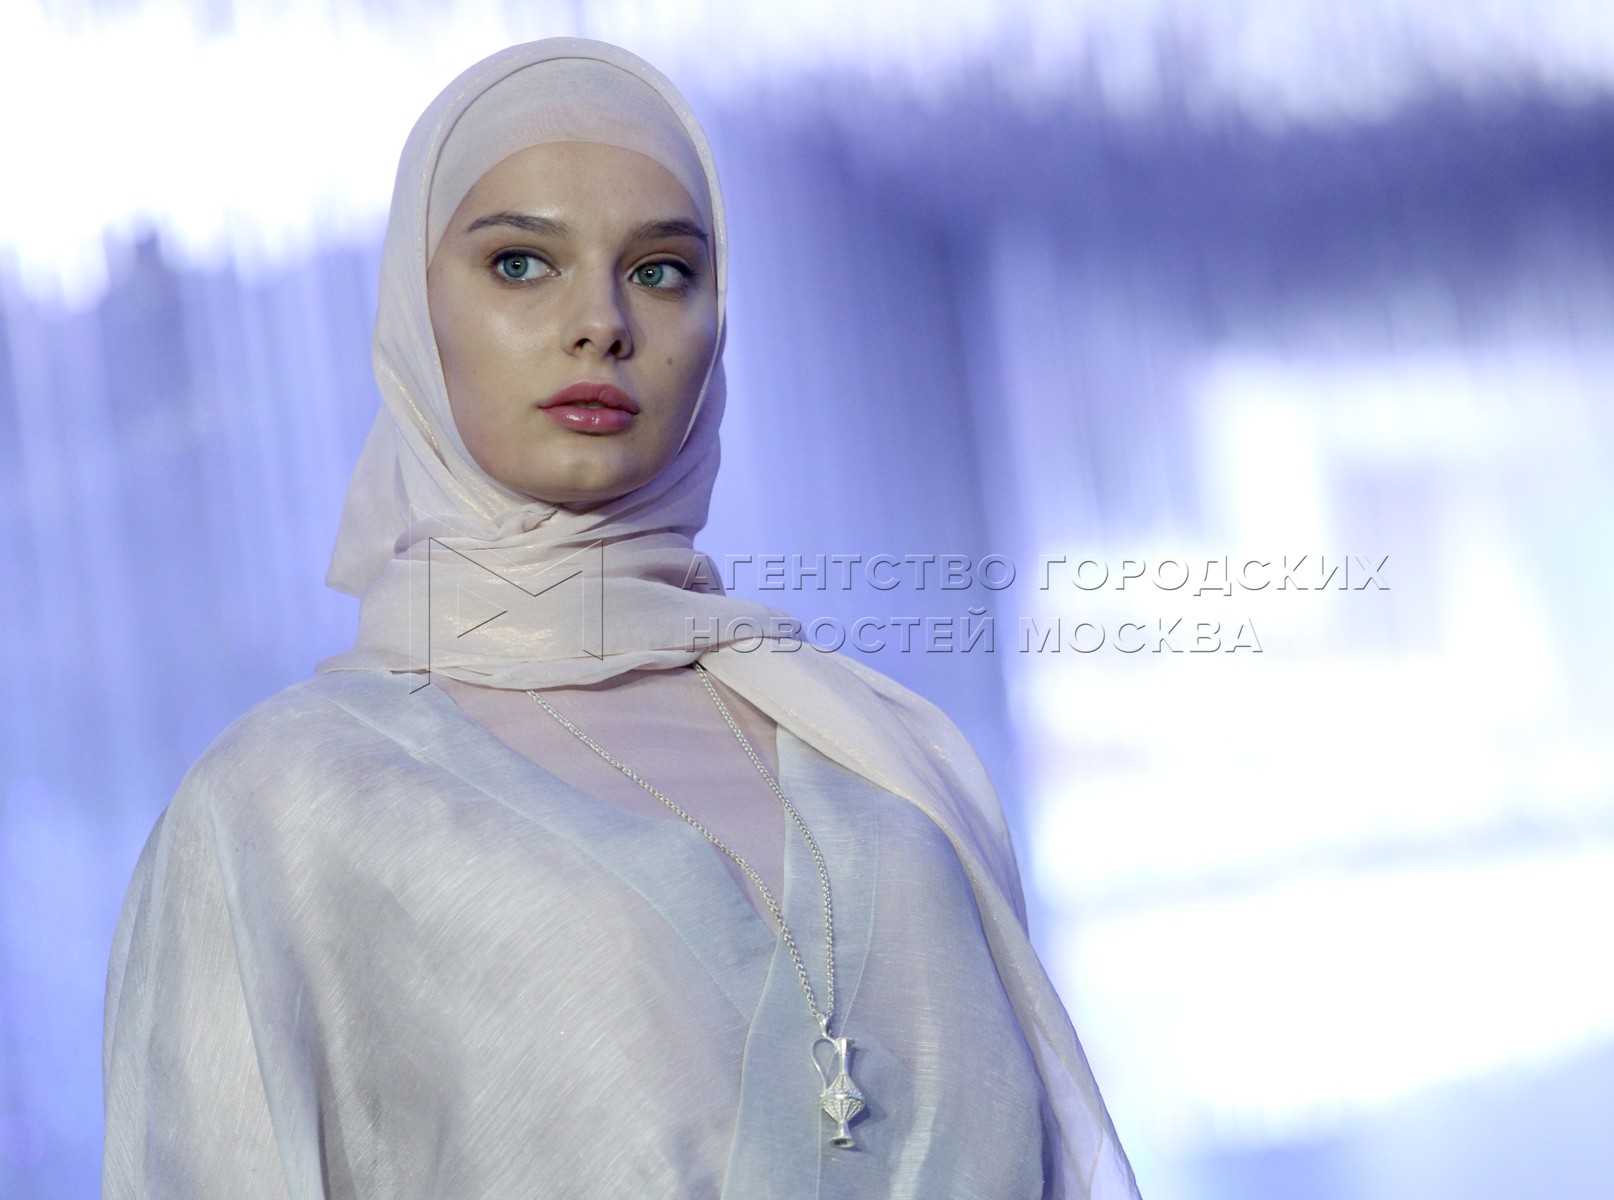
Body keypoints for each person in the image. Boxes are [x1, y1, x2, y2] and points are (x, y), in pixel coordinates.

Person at [101, 37, 1138, 1199]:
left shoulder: (883, 750)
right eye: (520, 264)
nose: (600, 322)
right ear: (411, 312)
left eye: (660, 271)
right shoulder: (283, 805)